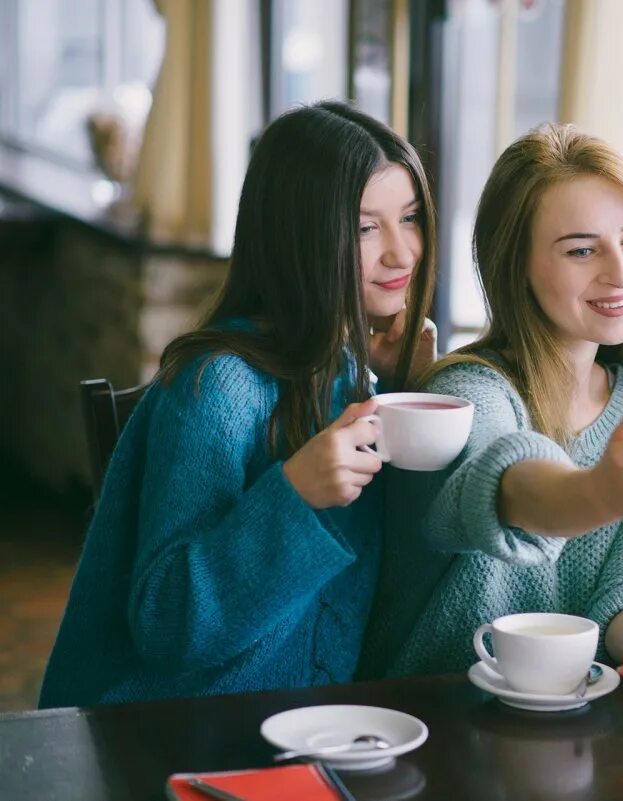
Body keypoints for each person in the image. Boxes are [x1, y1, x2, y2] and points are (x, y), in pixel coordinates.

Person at [39, 101, 437, 707]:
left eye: (409, 218)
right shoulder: (217, 388)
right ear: (298, 237)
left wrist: (409, 392)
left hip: (309, 728)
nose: (402, 253)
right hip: (176, 737)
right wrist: (294, 495)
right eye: (364, 227)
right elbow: (167, 626)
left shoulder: (352, 376)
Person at [360, 124, 623, 707]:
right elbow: (506, 486)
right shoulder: (468, 389)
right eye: (581, 250)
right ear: (515, 266)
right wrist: (605, 490)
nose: (621, 272)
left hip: (565, 737)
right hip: (430, 727)